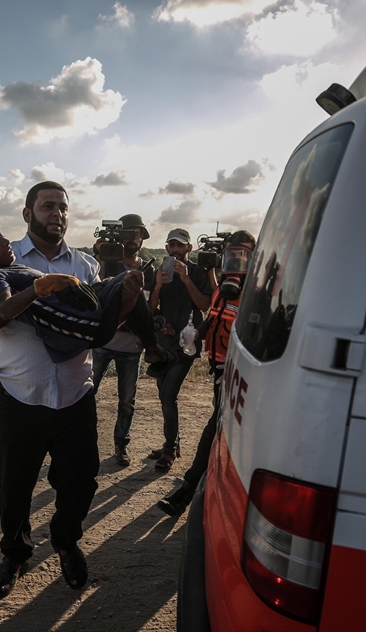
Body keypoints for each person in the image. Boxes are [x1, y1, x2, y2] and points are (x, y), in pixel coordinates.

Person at [0, 181, 101, 598]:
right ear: (28, 214)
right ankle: (16, 553)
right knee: (15, 485)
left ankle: (65, 541)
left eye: (63, 206)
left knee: (80, 482)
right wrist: (27, 298)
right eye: (47, 206)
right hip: (18, 398)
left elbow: (101, 319)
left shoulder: (85, 265)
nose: (57, 213)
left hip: (76, 395)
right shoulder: (1, 265)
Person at [0, 214, 169, 367]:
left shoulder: (82, 263)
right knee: (125, 279)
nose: (6, 241)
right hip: (85, 328)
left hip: (87, 334)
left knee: (127, 282)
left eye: (62, 208)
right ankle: (151, 345)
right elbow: (5, 309)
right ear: (28, 214)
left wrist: (126, 297)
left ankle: (151, 342)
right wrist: (42, 286)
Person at [158, 231, 256, 516]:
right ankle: (207, 491)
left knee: (215, 430)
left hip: (237, 375)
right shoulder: (224, 289)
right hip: (219, 371)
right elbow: (214, 317)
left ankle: (187, 492)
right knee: (220, 432)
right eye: (231, 254)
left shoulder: (257, 293)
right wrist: (196, 334)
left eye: (243, 255)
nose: (236, 261)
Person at [90, 214, 157, 467]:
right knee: (86, 394)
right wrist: (99, 255)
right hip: (104, 342)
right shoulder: (106, 262)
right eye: (129, 233)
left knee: (127, 400)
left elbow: (151, 306)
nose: (134, 238)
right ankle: (79, 442)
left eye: (138, 233)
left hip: (132, 346)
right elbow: (93, 289)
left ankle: (121, 445)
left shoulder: (148, 268)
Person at [147, 228, 214, 471]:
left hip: (187, 344)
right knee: (163, 394)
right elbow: (152, 310)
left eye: (180, 245)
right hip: (163, 344)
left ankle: (168, 449)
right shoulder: (160, 272)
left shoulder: (197, 272)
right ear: (166, 248)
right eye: (171, 245)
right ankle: (173, 443)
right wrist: (156, 287)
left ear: (189, 248)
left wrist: (185, 278)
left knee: (168, 395)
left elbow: (205, 305)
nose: (175, 249)